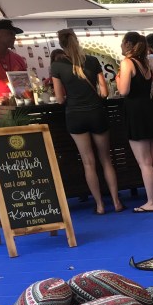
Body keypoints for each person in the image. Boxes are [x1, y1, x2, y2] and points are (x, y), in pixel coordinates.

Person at [51, 29, 123, 214]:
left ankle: (99, 205)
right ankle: (116, 201)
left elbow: (59, 99)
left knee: (88, 163)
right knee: (106, 160)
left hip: (75, 116)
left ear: (61, 44)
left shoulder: (57, 66)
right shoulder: (91, 61)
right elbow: (104, 92)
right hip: (96, 113)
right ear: (76, 40)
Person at [117, 31, 153, 212]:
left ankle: (151, 202)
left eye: (122, 42)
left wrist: (118, 78)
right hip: (148, 110)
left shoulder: (127, 63)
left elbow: (124, 91)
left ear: (128, 44)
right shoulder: (145, 63)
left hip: (135, 112)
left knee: (145, 162)